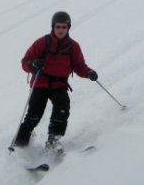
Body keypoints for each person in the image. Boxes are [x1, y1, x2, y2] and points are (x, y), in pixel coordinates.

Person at [15, 11, 98, 151]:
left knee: (62, 107)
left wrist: (88, 73)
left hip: (59, 84)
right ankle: (20, 143)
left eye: (64, 27)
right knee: (34, 114)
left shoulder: (73, 46)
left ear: (68, 28)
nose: (61, 30)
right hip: (40, 83)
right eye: (58, 27)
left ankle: (53, 140)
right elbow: (25, 61)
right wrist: (33, 65)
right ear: (53, 27)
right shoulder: (42, 42)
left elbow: (79, 66)